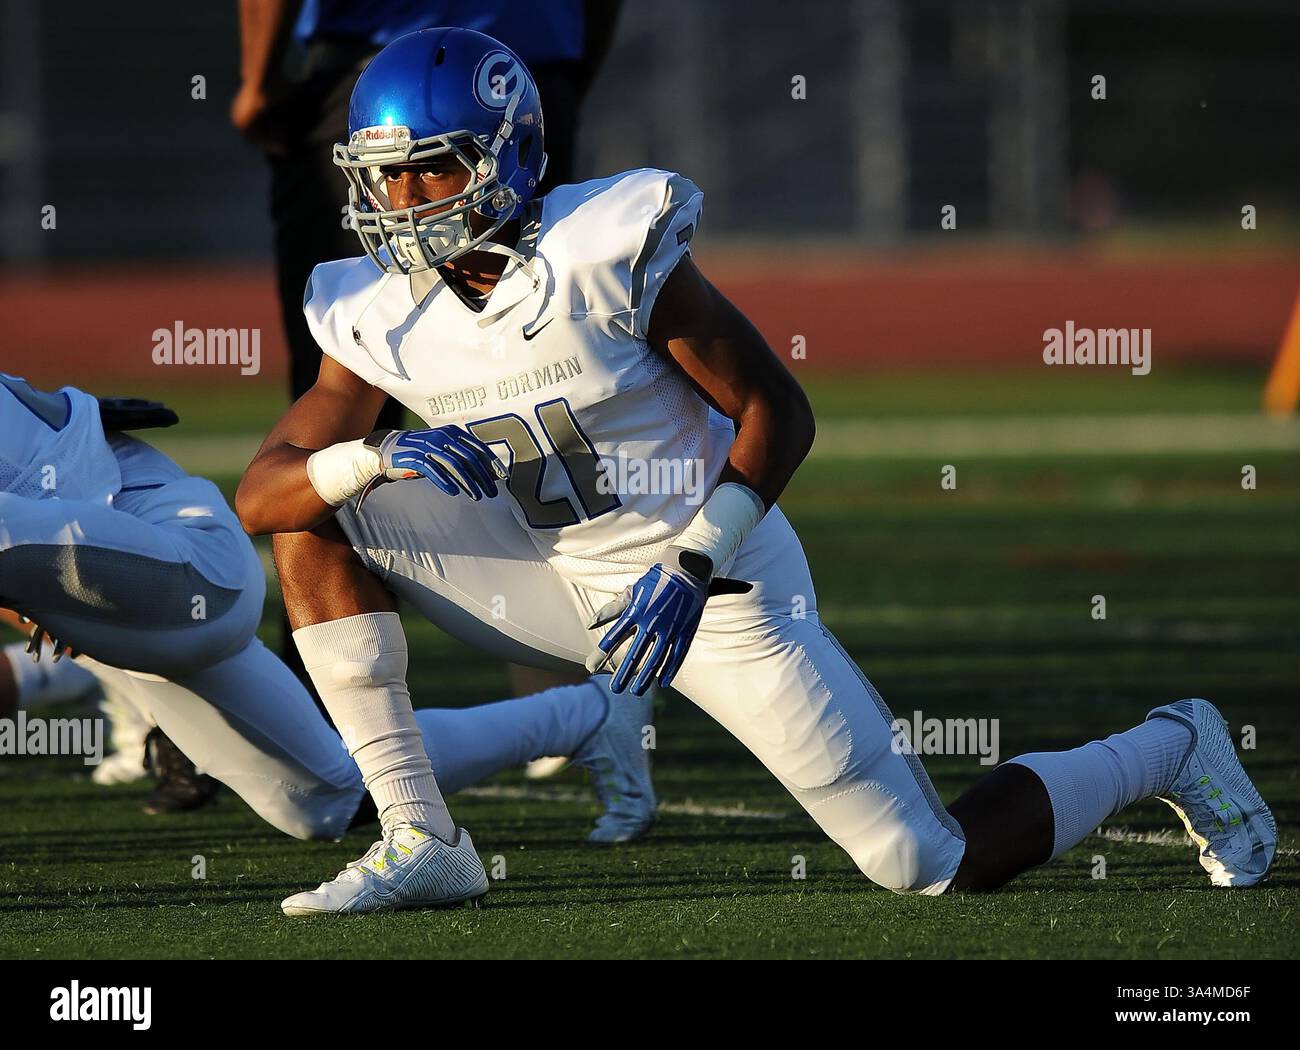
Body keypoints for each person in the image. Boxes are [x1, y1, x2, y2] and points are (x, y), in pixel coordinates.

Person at [237, 26, 1278, 918]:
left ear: (505, 159)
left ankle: (1171, 747)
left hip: (704, 582)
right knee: (317, 511)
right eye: (383, 175)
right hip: (536, 571)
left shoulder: (602, 247)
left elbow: (776, 410)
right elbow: (263, 491)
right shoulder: (372, 307)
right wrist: (365, 457)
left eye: (431, 168)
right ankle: (423, 838)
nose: (401, 199)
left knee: (920, 862)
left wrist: (696, 560)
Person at [0, 373, 655, 863]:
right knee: (320, 800)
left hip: (186, 558)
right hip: (98, 597)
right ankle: (588, 716)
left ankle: (96, 693)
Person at [232, 0, 622, 701]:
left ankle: (314, 713)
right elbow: (268, 495)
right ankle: (566, 698)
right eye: (393, 186)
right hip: (530, 64)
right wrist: (562, 72)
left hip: (376, 65)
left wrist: (258, 83)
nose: (406, 200)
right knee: (332, 462)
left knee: (328, 451)